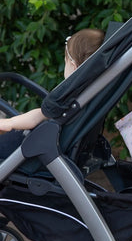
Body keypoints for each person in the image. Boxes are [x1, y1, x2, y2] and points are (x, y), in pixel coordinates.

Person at [0, 28, 104, 158]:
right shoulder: (94, 92)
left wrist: (9, 123)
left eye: (65, 61)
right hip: (63, 150)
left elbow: (39, 115)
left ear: (73, 65)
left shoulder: (69, 94)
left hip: (30, 151)